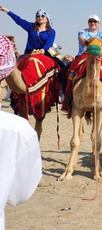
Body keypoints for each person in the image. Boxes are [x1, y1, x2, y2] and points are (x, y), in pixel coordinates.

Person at [0, 33, 43, 230]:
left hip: (46, 52)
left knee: (60, 65)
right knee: (73, 68)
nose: (41, 18)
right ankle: (68, 95)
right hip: (27, 54)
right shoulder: (16, 131)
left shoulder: (49, 31)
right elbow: (19, 195)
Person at [62, 13, 102, 103]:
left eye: (95, 21)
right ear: (88, 23)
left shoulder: (101, 34)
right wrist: (90, 43)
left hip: (98, 57)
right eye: (90, 21)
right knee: (65, 70)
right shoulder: (83, 32)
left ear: (98, 23)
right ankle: (64, 94)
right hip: (83, 56)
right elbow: (82, 40)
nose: (92, 23)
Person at [0, 5, 64, 69]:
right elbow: (19, 20)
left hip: (44, 52)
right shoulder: (31, 27)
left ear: (47, 19)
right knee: (15, 63)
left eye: (43, 16)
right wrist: (7, 11)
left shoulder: (51, 31)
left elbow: (49, 42)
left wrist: (43, 49)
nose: (40, 17)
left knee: (61, 66)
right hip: (30, 52)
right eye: (38, 16)